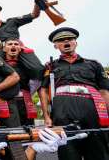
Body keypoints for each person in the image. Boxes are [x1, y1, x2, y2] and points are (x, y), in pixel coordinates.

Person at [39, 27, 109, 160]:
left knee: (98, 151)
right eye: (60, 40)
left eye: (70, 39)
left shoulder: (93, 64)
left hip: (92, 110)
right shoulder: (50, 66)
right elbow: (43, 90)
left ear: (75, 43)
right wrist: (46, 117)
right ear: (55, 46)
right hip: (63, 111)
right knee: (68, 152)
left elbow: (104, 90)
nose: (66, 41)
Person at [0, 4, 44, 80]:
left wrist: (37, 1)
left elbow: (34, 15)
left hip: (17, 48)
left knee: (37, 68)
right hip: (1, 52)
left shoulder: (11, 22)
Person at [2, 38, 40, 125]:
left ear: (20, 48)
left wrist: (27, 92)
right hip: (6, 101)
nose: (13, 46)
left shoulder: (27, 65)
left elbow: (36, 80)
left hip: (25, 100)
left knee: (29, 129)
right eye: (10, 44)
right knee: (12, 130)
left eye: (16, 44)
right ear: (4, 49)